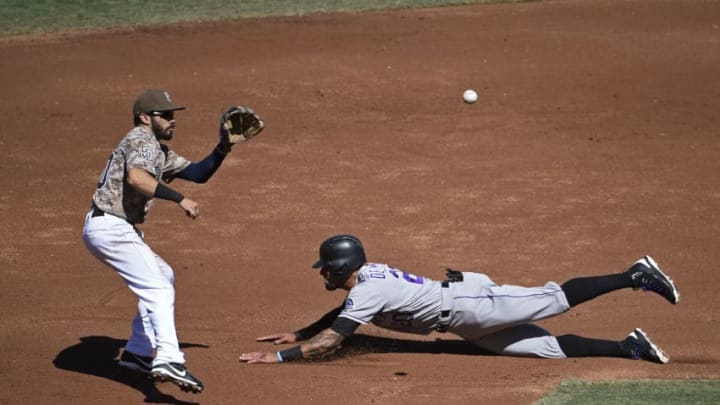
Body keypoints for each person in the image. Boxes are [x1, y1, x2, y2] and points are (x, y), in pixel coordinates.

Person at [239, 234, 679, 365]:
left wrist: (280, 358)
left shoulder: (367, 290)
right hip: (464, 321)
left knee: (554, 299)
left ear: (338, 269)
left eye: (325, 270)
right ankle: (628, 347)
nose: (324, 277)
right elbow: (343, 315)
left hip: (474, 303)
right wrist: (298, 331)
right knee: (543, 349)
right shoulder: (365, 282)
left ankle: (634, 274)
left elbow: (332, 342)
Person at [82, 89, 239, 393]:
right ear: (145, 117)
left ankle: (138, 354)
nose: (172, 120)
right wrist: (180, 199)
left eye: (173, 114)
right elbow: (137, 178)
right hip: (110, 228)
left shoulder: (157, 150)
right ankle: (168, 358)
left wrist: (223, 147)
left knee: (163, 275)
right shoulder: (141, 140)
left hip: (114, 228)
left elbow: (197, 172)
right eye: (165, 115)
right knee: (158, 288)